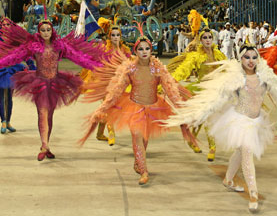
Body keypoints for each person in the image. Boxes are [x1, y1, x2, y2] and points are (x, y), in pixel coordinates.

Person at [163, 44, 277, 213]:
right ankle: (253, 193)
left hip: (257, 121)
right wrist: (197, 115)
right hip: (239, 121)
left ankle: (228, 180)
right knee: (247, 152)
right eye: (246, 57)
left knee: (241, 152)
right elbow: (217, 101)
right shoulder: (235, 79)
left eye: (254, 57)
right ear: (240, 59)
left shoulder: (266, 77)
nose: (251, 61)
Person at [0, 18, 107, 160]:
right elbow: (12, 58)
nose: (46, 33)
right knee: (42, 113)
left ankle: (47, 145)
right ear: (39, 32)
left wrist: (99, 67)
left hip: (54, 84)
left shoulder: (60, 46)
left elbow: (79, 58)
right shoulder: (33, 46)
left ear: (52, 31)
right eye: (43, 30)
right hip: (40, 84)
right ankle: (44, 145)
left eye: (48, 30)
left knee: (49, 116)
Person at [80, 34, 195, 186]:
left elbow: (170, 91)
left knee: (145, 138)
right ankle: (144, 170)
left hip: (153, 107)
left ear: (151, 50)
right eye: (140, 49)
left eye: (147, 48)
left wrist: (182, 109)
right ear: (135, 52)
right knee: (138, 136)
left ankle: (138, 163)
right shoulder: (130, 69)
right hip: (134, 108)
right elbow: (116, 92)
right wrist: (101, 109)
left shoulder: (158, 68)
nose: (144, 51)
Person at [168, 27, 227, 161]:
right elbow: (184, 70)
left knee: (202, 119)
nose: (207, 40)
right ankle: (212, 147)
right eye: (204, 38)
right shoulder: (196, 56)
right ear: (200, 40)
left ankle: (191, 139)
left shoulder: (219, 54)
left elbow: (227, 69)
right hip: (201, 90)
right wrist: (171, 81)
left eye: (209, 37)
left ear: (213, 39)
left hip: (216, 90)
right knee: (207, 118)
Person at [79, 24, 131, 146]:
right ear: (109, 36)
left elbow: (130, 64)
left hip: (118, 83)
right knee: (109, 107)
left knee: (108, 107)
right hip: (105, 83)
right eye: (113, 35)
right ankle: (111, 132)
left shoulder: (125, 50)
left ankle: (99, 133)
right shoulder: (104, 49)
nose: (115, 37)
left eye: (117, 35)